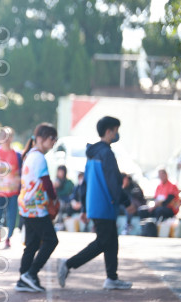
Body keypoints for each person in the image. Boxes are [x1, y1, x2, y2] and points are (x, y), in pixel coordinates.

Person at [57, 116, 135, 290]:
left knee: (111, 241)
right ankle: (68, 264)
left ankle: (112, 278)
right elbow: (114, 182)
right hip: (105, 205)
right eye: (116, 130)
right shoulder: (106, 154)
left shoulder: (92, 154)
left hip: (96, 205)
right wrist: (126, 201)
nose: (117, 134)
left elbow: (84, 184)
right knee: (103, 242)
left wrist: (85, 208)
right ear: (109, 131)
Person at [15, 123, 59, 292]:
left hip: (27, 205)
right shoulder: (39, 157)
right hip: (36, 207)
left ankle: (23, 278)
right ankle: (31, 274)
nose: (53, 142)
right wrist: (54, 200)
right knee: (51, 240)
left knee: (32, 244)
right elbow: (47, 182)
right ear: (40, 139)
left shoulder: (30, 155)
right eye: (52, 138)